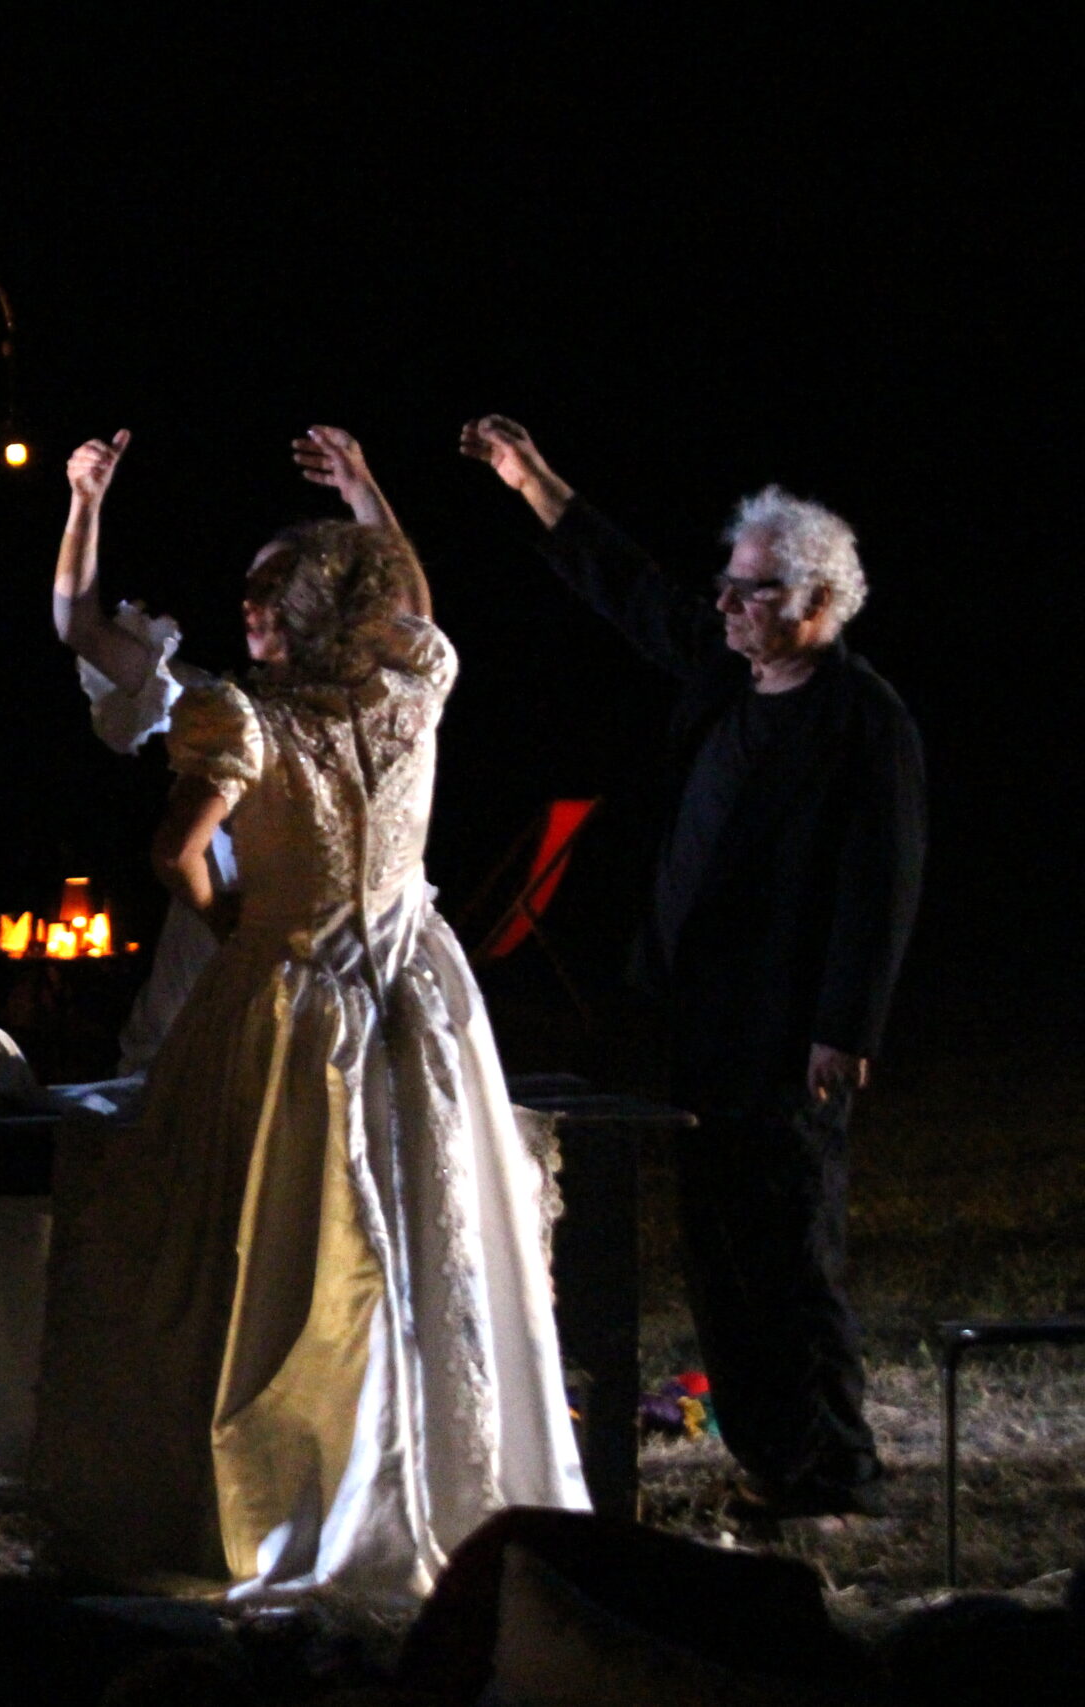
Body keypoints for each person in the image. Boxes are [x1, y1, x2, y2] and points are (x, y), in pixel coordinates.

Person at [35, 440, 588, 1602]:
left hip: (294, 990)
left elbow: (173, 849)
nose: (249, 605)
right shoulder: (408, 688)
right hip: (408, 986)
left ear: (311, 609)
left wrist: (232, 918)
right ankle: (396, 1474)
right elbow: (414, 605)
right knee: (397, 1219)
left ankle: (313, 1481)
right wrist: (363, 495)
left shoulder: (245, 718)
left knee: (303, 1231)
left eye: (272, 588)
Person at [461, 415, 924, 1523]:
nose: (726, 604)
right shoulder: (727, 675)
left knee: (789, 1246)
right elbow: (634, 592)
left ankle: (835, 1470)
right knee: (719, 1249)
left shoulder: (862, 720)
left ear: (816, 601)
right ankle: (770, 1456)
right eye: (728, 583)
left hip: (789, 1031)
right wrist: (534, 482)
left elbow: (883, 884)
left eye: (751, 590)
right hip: (698, 1016)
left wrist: (845, 1028)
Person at [52, 426, 406, 1074]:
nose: (249, 601)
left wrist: (362, 489)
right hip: (214, 969)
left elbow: (411, 622)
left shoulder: (369, 713)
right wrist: (85, 503)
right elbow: (80, 626)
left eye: (272, 586)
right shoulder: (219, 706)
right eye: (250, 584)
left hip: (328, 974)